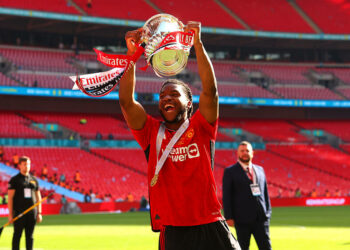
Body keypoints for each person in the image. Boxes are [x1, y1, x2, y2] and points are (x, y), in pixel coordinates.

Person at [119, 22, 240, 250]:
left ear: (188, 102)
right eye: (163, 96)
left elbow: (211, 91)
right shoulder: (151, 132)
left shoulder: (202, 126)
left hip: (211, 223)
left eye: (174, 94)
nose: (166, 99)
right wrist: (132, 55)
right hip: (174, 230)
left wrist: (198, 44)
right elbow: (126, 102)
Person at [223, 141, 272, 250]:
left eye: (247, 151)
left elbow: (265, 193)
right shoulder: (230, 171)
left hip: (261, 219)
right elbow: (227, 195)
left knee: (266, 247)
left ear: (252, 153)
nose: (245, 153)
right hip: (242, 220)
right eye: (242, 151)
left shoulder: (260, 170)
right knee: (243, 247)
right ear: (238, 153)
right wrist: (229, 217)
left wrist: (268, 212)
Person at [8, 156, 42, 250]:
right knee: (17, 236)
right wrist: (10, 214)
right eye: (24, 164)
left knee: (30, 236)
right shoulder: (14, 180)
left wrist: (39, 213)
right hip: (19, 213)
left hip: (32, 213)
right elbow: (10, 198)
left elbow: (38, 196)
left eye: (28, 164)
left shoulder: (34, 180)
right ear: (19, 165)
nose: (27, 166)